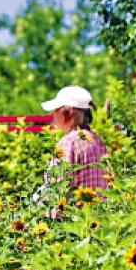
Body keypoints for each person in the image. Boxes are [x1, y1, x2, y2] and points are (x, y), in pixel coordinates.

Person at [35, 86, 109, 215]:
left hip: (74, 222)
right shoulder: (96, 140)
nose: (52, 115)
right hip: (97, 220)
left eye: (56, 110)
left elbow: (57, 189)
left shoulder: (69, 142)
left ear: (68, 112)